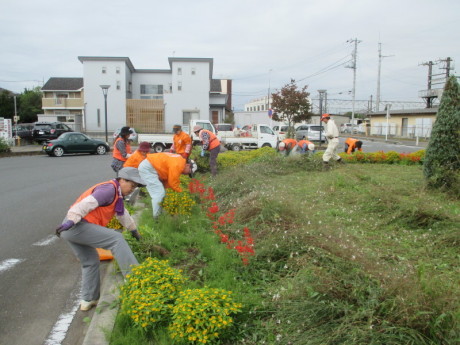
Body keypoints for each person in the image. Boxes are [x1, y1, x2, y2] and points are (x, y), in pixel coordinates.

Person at [55, 167, 145, 311]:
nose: (132, 189)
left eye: (135, 187)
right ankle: (136, 279)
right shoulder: (108, 190)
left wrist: (134, 230)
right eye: (132, 185)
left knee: (90, 262)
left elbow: (122, 215)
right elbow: (84, 205)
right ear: (122, 180)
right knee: (116, 239)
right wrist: (70, 221)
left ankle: (88, 299)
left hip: (72, 228)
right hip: (75, 225)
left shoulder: (117, 194)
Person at [138, 152, 197, 217]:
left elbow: (168, 181)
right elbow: (173, 183)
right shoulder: (178, 165)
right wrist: (182, 192)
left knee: (162, 192)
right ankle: (156, 218)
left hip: (149, 166)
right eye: (189, 172)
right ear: (188, 165)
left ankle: (160, 213)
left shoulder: (179, 160)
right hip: (148, 168)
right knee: (159, 193)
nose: (186, 175)